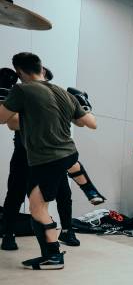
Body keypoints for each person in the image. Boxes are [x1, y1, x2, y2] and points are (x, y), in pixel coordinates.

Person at [0, 53, 101, 269]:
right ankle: (90, 190)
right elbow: (91, 123)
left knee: (38, 209)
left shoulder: (23, 91)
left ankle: (53, 256)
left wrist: (2, 97)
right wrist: (84, 104)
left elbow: (2, 119)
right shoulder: (64, 93)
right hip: (64, 154)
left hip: (44, 159)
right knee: (35, 199)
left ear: (19, 72)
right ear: (42, 69)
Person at [1, 67, 80, 250]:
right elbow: (11, 123)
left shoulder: (52, 101)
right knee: (15, 194)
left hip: (52, 157)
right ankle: (8, 234)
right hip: (24, 155)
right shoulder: (21, 97)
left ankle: (67, 230)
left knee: (63, 193)